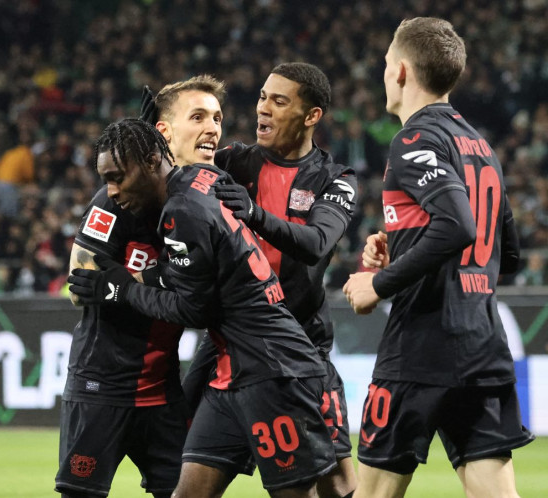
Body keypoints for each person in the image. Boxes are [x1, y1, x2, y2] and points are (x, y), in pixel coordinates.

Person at [67, 118, 337, 498]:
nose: (111, 191)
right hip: (231, 370)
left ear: (151, 161)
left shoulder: (181, 211)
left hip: (273, 368)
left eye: (117, 178)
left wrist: (123, 290)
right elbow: (198, 269)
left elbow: (192, 309)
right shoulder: (201, 179)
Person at [342, 17, 535, 498]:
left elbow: (457, 226)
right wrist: (404, 247)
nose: (384, 73)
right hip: (483, 346)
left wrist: (378, 283)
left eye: (386, 63)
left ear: (401, 71)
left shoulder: (414, 140)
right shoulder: (480, 146)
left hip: (420, 348)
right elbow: (506, 254)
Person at [168, 62, 358, 498]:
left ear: (311, 116)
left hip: (298, 353)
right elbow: (174, 170)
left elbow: (316, 243)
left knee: (336, 487)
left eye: (279, 101)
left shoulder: (335, 179)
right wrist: (159, 129)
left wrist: (254, 213)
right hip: (232, 349)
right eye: (262, 97)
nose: (263, 109)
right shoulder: (232, 162)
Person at [54, 75, 226, 498]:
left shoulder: (207, 196)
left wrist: (133, 280)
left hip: (162, 390)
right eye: (198, 117)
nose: (212, 129)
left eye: (217, 119)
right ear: (164, 133)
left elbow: (199, 287)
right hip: (100, 386)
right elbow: (81, 282)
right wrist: (168, 278)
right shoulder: (115, 199)